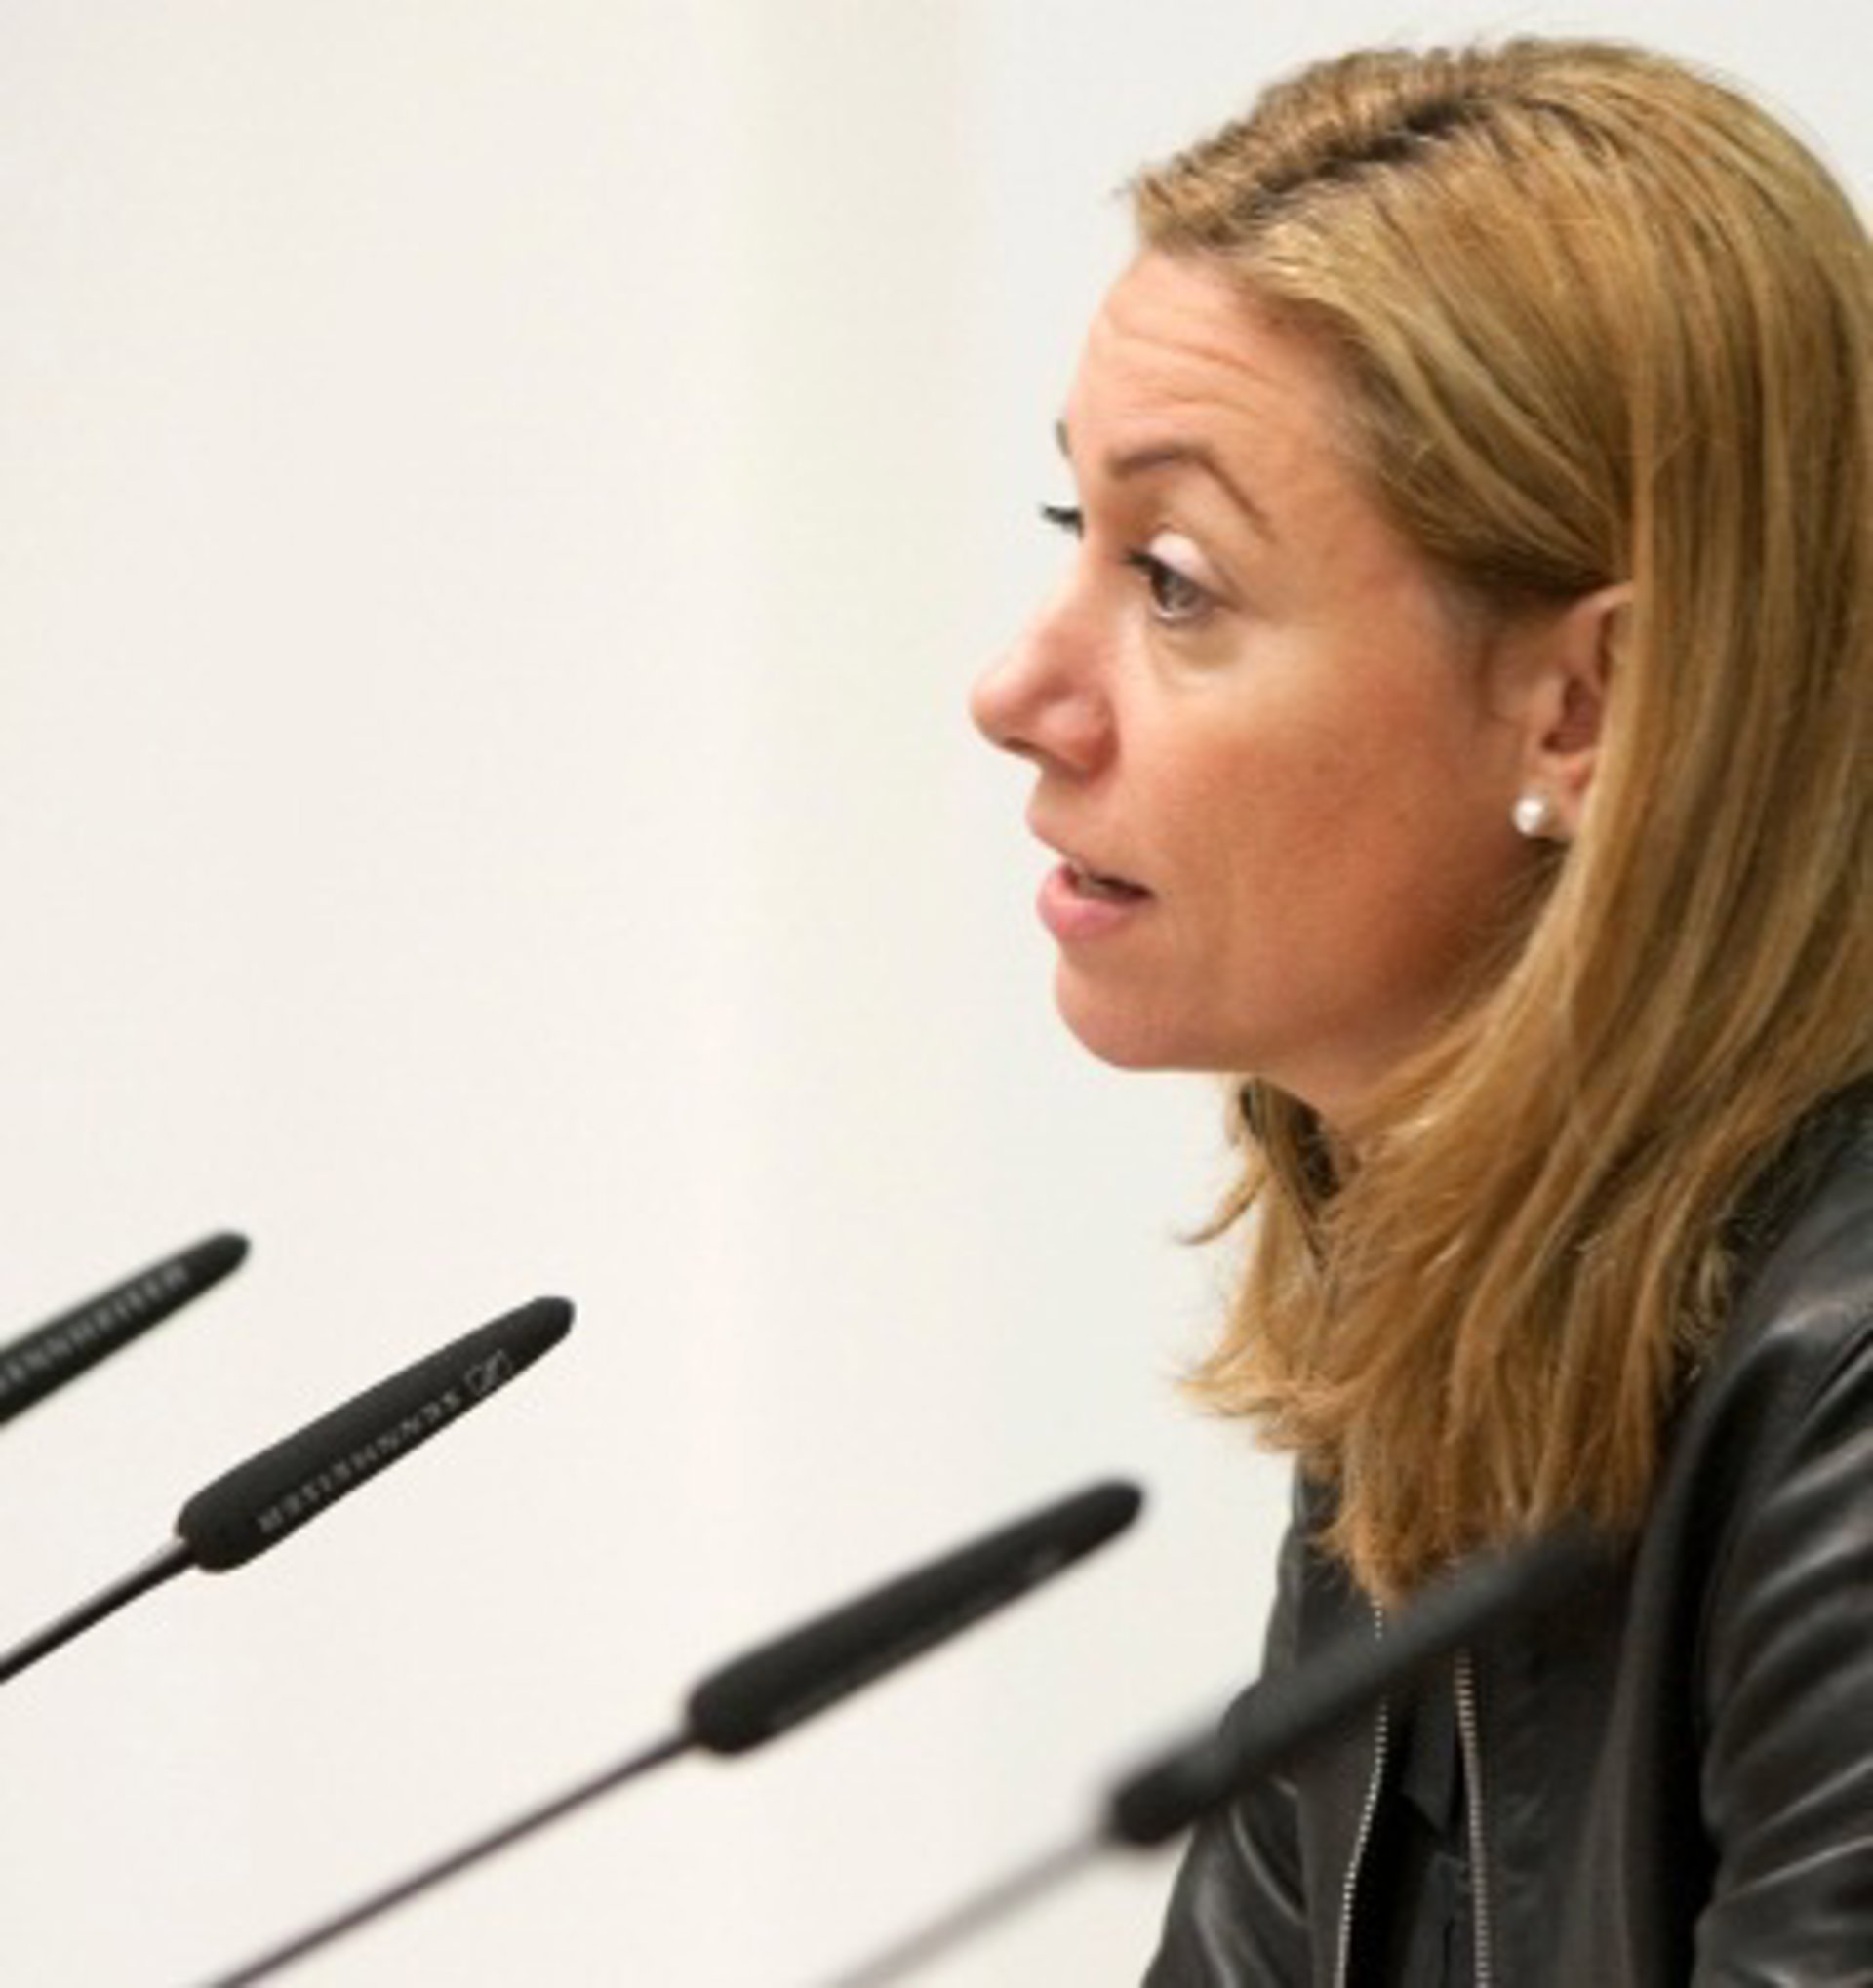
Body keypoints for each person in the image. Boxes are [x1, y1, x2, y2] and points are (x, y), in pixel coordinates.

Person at [970, 37, 1871, 1987]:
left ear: (1581, 709)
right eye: (1074, 536)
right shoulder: (1465, 1300)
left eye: (1175, 581)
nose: (1018, 692)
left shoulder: (1848, 1389)